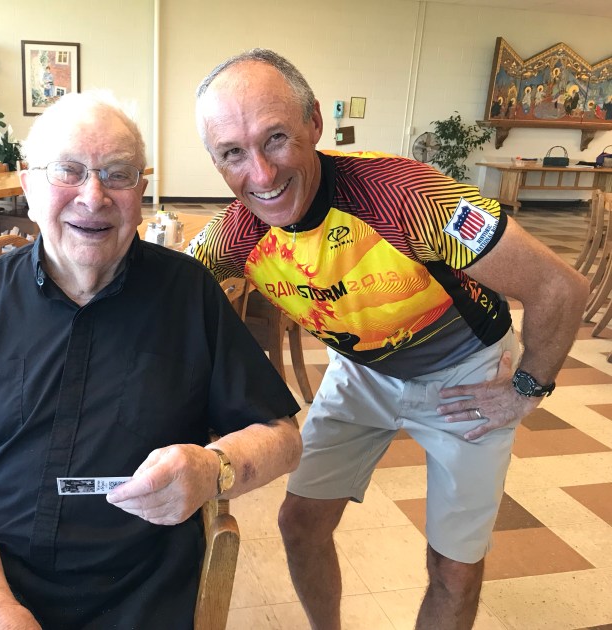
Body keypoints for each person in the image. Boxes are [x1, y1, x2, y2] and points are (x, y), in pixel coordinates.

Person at [189, 49, 589, 630]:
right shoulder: (232, 234)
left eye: (275, 139)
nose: (262, 175)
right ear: (215, 160)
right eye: (233, 153)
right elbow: (167, 301)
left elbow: (560, 287)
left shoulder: (408, 197)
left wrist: (526, 389)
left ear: (314, 123)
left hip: (467, 371)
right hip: (362, 370)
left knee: (455, 569)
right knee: (299, 524)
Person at [0, 90, 302, 629]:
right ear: (29, 187)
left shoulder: (188, 293)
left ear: (140, 192)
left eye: (117, 174)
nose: (94, 195)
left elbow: (283, 437)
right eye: (69, 171)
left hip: (138, 588)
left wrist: (213, 467)